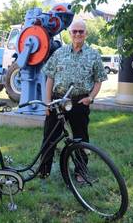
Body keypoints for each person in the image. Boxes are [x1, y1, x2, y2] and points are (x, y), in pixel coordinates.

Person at [39, 20, 108, 180]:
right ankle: (43, 172)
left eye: (81, 31)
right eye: (74, 31)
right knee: (50, 137)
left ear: (86, 34)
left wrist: (90, 98)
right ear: (69, 34)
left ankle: (80, 172)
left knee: (81, 138)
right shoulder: (59, 53)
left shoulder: (93, 55)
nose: (77, 34)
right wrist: (47, 103)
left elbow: (99, 80)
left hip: (79, 102)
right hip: (57, 102)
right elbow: (49, 78)